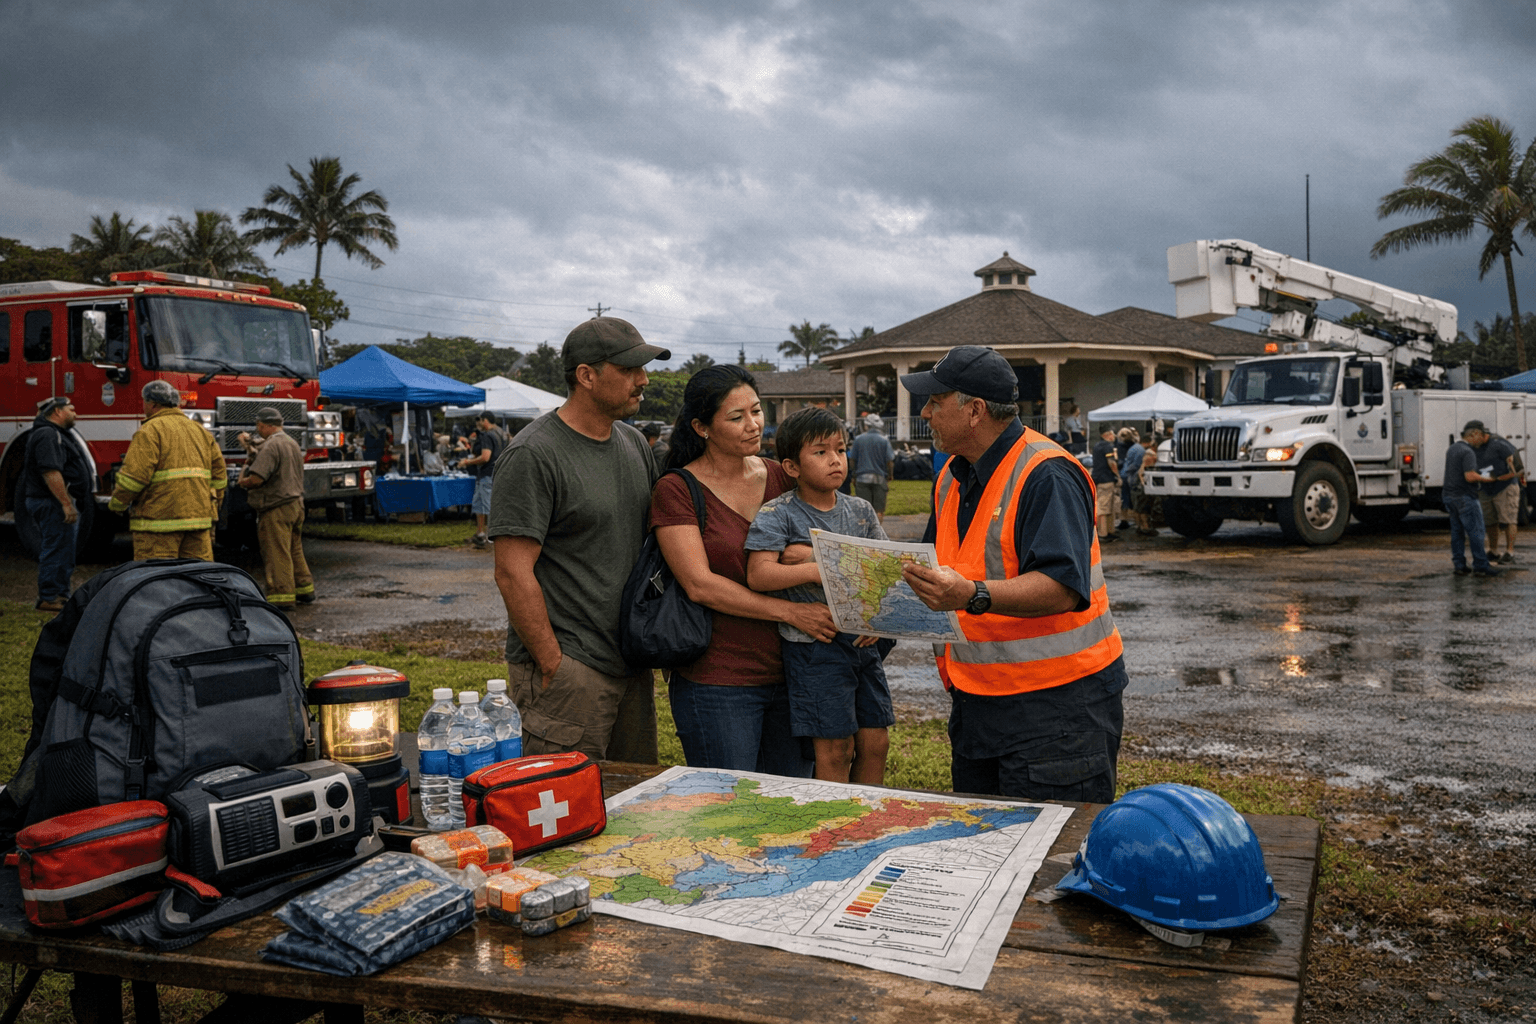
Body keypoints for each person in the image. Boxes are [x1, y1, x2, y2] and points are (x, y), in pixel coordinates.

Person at [895, 346, 1128, 803]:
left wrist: (971, 594)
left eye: (935, 402)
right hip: (979, 705)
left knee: (1050, 858)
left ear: (975, 410)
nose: (925, 413)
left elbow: (1062, 587)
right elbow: (930, 567)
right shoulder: (951, 478)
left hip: (1058, 711)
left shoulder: (1047, 475)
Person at [489, 317, 668, 762]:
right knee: (567, 816)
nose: (642, 380)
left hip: (630, 664)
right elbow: (513, 573)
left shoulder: (633, 444)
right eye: (629, 369)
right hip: (571, 671)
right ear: (586, 376)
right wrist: (554, 664)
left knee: (632, 810)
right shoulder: (533, 454)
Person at [651, 365, 837, 776]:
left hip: (797, 672)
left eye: (757, 410)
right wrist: (790, 612)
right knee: (727, 810)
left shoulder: (781, 475)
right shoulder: (677, 490)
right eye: (736, 418)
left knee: (792, 806)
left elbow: (833, 541)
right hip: (719, 680)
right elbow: (701, 585)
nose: (753, 425)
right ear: (702, 427)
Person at [744, 407, 894, 784]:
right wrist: (821, 568)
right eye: (821, 452)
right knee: (835, 748)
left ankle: (868, 819)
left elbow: (885, 567)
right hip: (815, 646)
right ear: (792, 467)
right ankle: (835, 829)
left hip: (862, 641)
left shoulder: (860, 511)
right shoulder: (779, 513)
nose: (835, 461)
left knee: (876, 742)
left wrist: (810, 555)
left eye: (841, 451)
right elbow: (759, 574)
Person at [108, 380, 226, 561]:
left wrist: (117, 503)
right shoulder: (200, 431)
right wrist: (212, 505)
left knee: (158, 580)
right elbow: (219, 476)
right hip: (199, 522)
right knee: (198, 578)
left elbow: (135, 478)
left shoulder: (149, 431)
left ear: (152, 404)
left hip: (158, 523)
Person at [236, 408, 314, 606]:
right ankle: (304, 589)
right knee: (294, 549)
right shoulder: (291, 442)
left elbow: (257, 478)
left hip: (276, 507)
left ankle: (282, 597)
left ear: (265, 425)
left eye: (259, 427)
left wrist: (243, 482)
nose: (258, 430)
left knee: (277, 552)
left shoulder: (272, 446)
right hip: (296, 505)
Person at [22, 397, 90, 613]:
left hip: (54, 503)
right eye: (71, 409)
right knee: (56, 549)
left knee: (64, 549)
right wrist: (65, 504)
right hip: (51, 503)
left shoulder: (56, 434)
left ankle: (60, 595)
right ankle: (49, 596)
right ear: (57, 412)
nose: (75, 413)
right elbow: (50, 471)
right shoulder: (47, 435)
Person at [1443, 421, 1498, 578]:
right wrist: (1489, 479)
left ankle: (1460, 565)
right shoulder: (1468, 452)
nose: (1482, 439)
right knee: (1476, 532)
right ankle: (1481, 565)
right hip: (1465, 497)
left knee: (1457, 533)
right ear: (1473, 434)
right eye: (1480, 435)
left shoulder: (1452, 449)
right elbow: (1469, 476)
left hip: (1449, 496)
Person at [1472, 424, 1521, 563]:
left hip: (1504, 487)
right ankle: (1493, 551)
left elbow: (1515, 462)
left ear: (1484, 435)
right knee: (1490, 521)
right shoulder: (1474, 447)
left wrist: (1508, 475)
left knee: (1508, 519)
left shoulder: (1500, 444)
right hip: (1486, 488)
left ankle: (1510, 552)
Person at [462, 412, 509, 549]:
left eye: (480, 421)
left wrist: (467, 462)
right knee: (488, 504)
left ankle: (486, 536)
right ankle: (481, 534)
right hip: (499, 472)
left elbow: (485, 457)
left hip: (487, 473)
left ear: (485, 420)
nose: (479, 424)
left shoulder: (488, 435)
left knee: (484, 505)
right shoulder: (502, 433)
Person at [848, 413, 896, 522]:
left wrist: (854, 475)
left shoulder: (858, 439)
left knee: (863, 511)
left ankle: (864, 535)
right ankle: (876, 534)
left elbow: (852, 460)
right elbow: (890, 462)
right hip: (880, 479)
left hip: (861, 479)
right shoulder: (884, 440)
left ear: (866, 425)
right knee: (879, 510)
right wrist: (890, 475)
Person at [1089, 425, 1119, 545]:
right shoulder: (1108, 446)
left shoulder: (1096, 446)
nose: (1114, 436)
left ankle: (1109, 531)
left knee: (1109, 506)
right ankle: (1103, 533)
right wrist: (1118, 476)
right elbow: (1112, 463)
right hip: (1106, 479)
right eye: (1112, 434)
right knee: (1104, 506)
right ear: (1106, 435)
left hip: (1099, 478)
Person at [1119, 430, 1146, 531]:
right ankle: (1139, 525)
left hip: (1124, 474)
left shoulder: (1131, 448)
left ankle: (1124, 520)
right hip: (1130, 476)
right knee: (1136, 501)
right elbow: (1136, 465)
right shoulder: (1140, 450)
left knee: (1125, 498)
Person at [1132, 446, 1160, 537]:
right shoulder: (1148, 464)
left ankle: (1140, 526)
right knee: (1144, 509)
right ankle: (1145, 527)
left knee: (1139, 508)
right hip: (1145, 489)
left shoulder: (1143, 464)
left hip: (1140, 488)